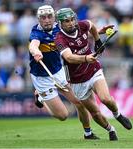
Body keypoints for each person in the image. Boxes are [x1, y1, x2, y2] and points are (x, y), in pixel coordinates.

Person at [29, 5, 115, 140]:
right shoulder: (36, 32)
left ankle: (88, 133)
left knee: (80, 102)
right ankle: (40, 96)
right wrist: (36, 52)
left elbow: (76, 34)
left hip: (59, 72)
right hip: (43, 77)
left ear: (54, 18)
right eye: (43, 17)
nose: (47, 20)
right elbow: (33, 44)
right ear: (39, 19)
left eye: (49, 16)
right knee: (62, 116)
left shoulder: (59, 26)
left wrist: (99, 32)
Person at [55, 7, 132, 138]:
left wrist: (97, 40)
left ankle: (117, 114)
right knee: (95, 112)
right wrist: (85, 58)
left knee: (105, 99)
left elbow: (91, 26)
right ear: (61, 23)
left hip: (93, 70)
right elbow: (69, 57)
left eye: (72, 19)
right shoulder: (60, 39)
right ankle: (110, 129)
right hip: (77, 80)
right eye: (67, 21)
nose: (71, 23)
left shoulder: (82, 25)